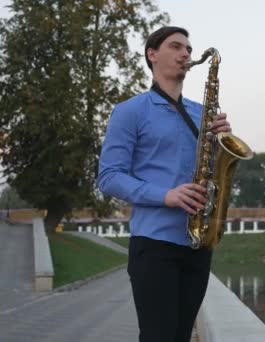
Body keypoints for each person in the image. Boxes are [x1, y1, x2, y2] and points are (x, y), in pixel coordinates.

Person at [97, 26, 232, 342]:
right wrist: (165, 195)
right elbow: (109, 177)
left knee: (182, 336)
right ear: (152, 54)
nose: (185, 53)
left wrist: (222, 142)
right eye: (176, 46)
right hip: (154, 243)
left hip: (197, 242)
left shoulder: (203, 114)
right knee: (158, 336)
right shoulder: (129, 111)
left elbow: (211, 172)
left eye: (188, 48)